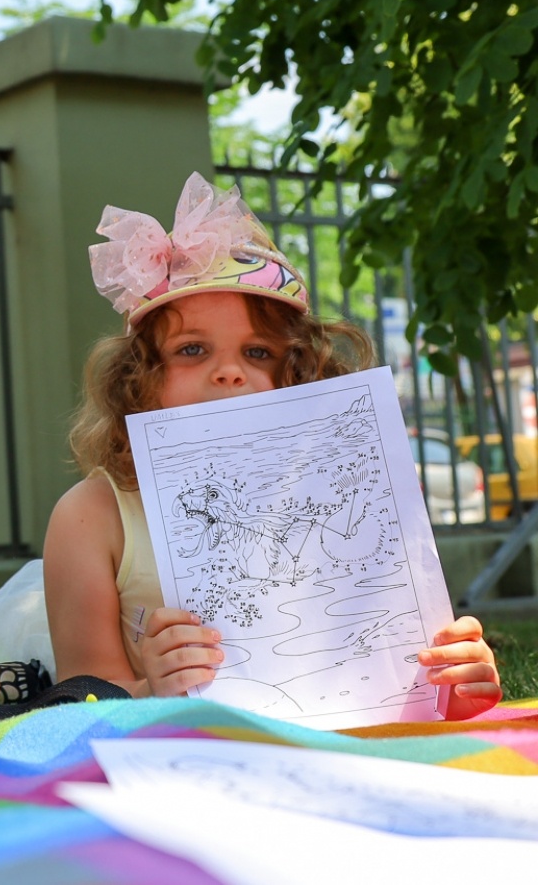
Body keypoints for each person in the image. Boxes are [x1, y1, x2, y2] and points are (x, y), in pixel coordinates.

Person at [44, 173, 502, 720]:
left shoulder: (350, 498)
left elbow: (413, 686)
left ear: (296, 371)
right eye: (192, 349)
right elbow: (77, 708)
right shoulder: (92, 517)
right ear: (137, 378)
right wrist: (150, 689)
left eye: (258, 353)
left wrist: (455, 677)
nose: (230, 372)